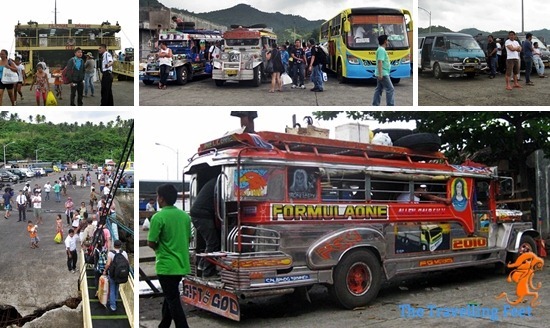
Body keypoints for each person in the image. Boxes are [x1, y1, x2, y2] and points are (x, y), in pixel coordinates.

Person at [148, 184, 191, 328]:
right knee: (169, 297)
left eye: (157, 196)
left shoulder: (158, 217)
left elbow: (151, 242)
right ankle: (163, 325)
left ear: (161, 199)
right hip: (181, 264)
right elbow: (189, 238)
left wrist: (160, 248)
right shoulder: (185, 216)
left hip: (166, 266)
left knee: (173, 300)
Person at [190, 178, 218, 278]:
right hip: (202, 214)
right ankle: (208, 272)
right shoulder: (221, 182)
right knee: (213, 243)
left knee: (210, 242)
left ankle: (201, 266)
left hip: (199, 213)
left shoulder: (214, 182)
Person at [103, 239, 128, 312]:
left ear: (114, 245)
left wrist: (105, 270)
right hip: (121, 274)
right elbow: (127, 263)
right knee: (117, 286)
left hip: (113, 274)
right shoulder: (124, 253)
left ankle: (113, 305)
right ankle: (116, 299)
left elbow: (108, 264)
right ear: (120, 246)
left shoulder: (111, 253)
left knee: (112, 289)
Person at [372, 35, 394, 106]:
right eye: (387, 40)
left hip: (382, 72)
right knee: (390, 89)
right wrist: (381, 74)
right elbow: (380, 62)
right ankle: (390, 105)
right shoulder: (381, 50)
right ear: (385, 41)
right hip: (383, 73)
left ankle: (375, 104)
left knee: (379, 89)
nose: (388, 42)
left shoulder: (380, 49)